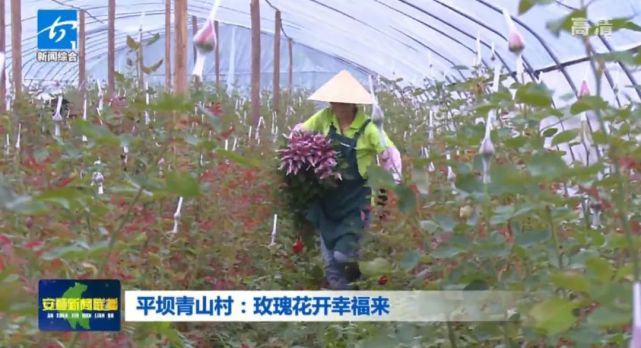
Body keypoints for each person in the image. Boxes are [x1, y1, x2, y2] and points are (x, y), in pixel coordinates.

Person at [292, 70, 402, 290]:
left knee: (343, 255)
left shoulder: (368, 128)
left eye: (341, 102)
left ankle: (355, 281)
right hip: (328, 198)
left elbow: (390, 154)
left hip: (356, 202)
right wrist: (302, 155)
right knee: (330, 260)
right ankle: (342, 309)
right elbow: (299, 133)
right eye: (334, 101)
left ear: (352, 104)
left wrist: (390, 186)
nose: (336, 106)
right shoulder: (325, 118)